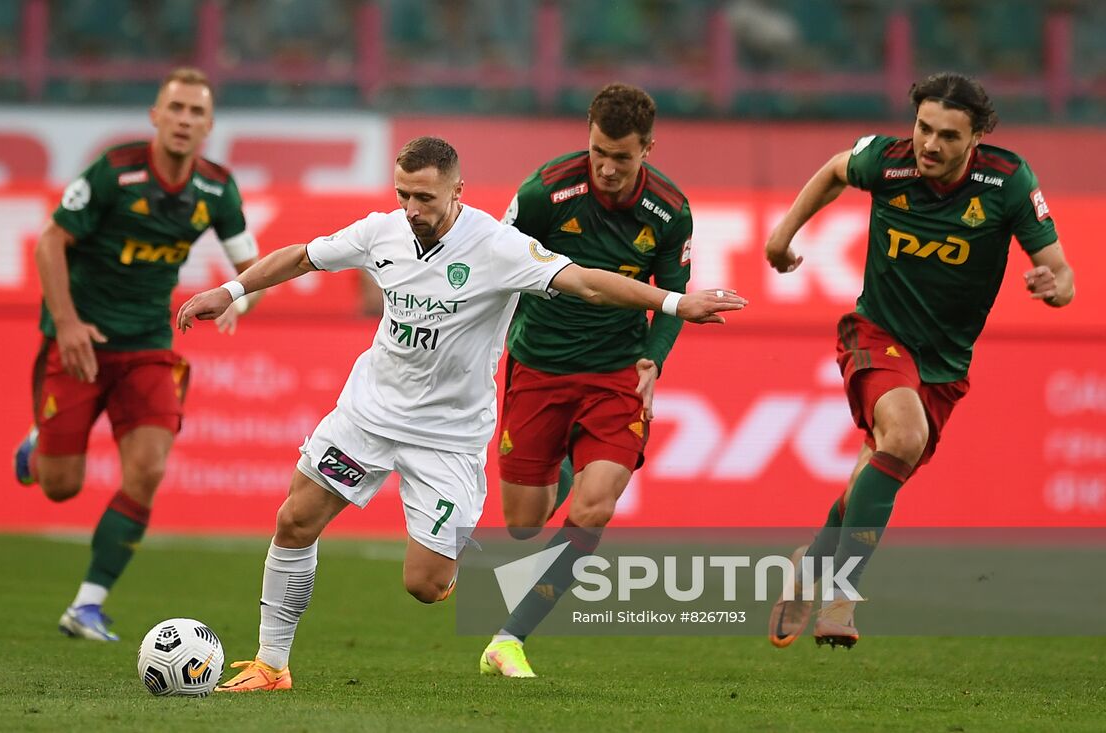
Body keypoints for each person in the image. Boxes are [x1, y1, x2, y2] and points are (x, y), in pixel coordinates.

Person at [175, 136, 745, 691]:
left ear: (458, 192)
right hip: (368, 415)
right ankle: (272, 664)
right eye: (404, 194)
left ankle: (450, 555)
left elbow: (588, 284)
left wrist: (673, 302)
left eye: (425, 197)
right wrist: (231, 289)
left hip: (447, 438)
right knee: (295, 519)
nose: (412, 209)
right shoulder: (382, 231)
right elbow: (302, 255)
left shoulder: (497, 246)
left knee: (425, 585)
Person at [764, 72, 1075, 648]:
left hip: (944, 363)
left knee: (877, 468)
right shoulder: (888, 161)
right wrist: (780, 238)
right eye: (924, 128)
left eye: (949, 136)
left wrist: (1052, 286)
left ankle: (811, 563)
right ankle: (841, 598)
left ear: (977, 138)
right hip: (876, 332)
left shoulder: (1007, 182)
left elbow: (1062, 273)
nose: (930, 145)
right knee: (903, 437)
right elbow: (835, 169)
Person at [11, 67, 261, 641]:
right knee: (60, 485)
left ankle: (87, 605)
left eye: (196, 112)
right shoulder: (115, 171)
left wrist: (236, 303)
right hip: (82, 342)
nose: (184, 120)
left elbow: (251, 269)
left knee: (147, 470)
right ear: (156, 116)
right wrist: (68, 324)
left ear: (209, 126)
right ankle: (37, 446)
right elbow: (51, 240)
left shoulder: (218, 189)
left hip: (149, 342)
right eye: (175, 108)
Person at [479, 83, 695, 678]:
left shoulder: (671, 213)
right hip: (539, 366)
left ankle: (509, 638)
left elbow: (670, 301)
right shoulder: (545, 192)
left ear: (647, 149)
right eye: (599, 150)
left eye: (622, 156)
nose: (607, 166)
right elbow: (498, 266)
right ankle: (566, 459)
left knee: (594, 508)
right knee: (524, 525)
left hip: (615, 373)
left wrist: (652, 359)